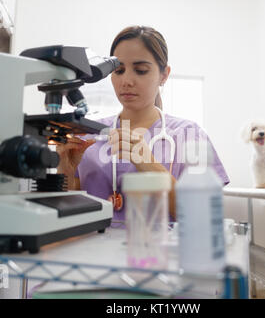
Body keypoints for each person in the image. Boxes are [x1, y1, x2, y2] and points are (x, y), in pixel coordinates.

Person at [56, 26, 229, 222]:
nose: (127, 81)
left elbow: (203, 218)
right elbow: (68, 212)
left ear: (164, 75)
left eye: (140, 70)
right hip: (91, 250)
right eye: (119, 71)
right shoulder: (89, 134)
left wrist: (149, 164)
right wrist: (66, 172)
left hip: (159, 251)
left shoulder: (189, 135)